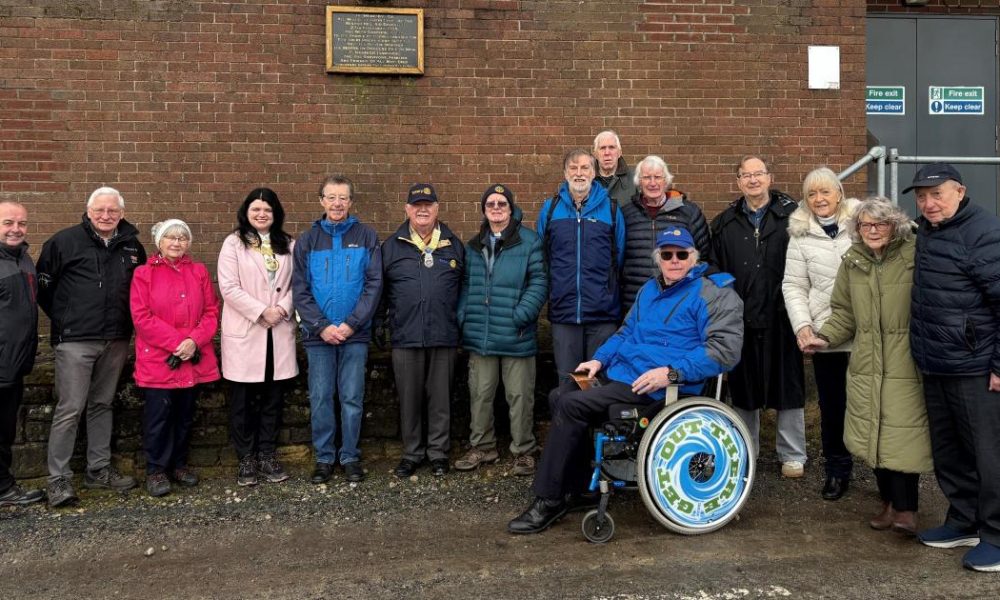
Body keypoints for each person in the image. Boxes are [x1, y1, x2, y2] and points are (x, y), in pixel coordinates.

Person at [508, 226, 743, 534]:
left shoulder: (713, 293)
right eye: (667, 255)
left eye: (681, 254)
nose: (674, 260)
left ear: (693, 257)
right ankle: (580, 488)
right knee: (559, 393)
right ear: (658, 259)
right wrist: (598, 360)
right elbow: (626, 332)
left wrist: (672, 372)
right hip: (621, 373)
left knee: (570, 405)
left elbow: (724, 351)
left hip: (661, 386)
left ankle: (548, 499)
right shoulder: (650, 289)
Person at [806, 197, 931, 536]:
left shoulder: (915, 254)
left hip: (905, 356)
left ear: (895, 225)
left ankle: (907, 509)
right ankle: (888, 502)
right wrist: (825, 337)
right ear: (857, 229)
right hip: (866, 359)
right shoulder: (854, 261)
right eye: (865, 224)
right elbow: (844, 311)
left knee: (902, 430)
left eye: (881, 223)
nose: (873, 230)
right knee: (872, 429)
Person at [904, 163, 1000, 572]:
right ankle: (964, 520)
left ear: (959, 191)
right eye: (922, 197)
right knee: (949, 451)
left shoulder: (983, 233)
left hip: (976, 368)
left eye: (937, 194)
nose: (928, 203)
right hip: (937, 362)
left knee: (988, 453)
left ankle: (996, 534)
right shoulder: (928, 230)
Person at [37, 186, 146, 507]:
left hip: (115, 338)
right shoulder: (63, 242)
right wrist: (66, 318)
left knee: (102, 403)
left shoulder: (132, 246)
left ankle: (98, 470)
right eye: (99, 210)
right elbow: (44, 288)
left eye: (112, 210)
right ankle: (58, 479)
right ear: (88, 211)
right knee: (70, 408)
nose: (105, 215)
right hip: (74, 340)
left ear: (122, 213)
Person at [708, 156, 807, 478]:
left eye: (758, 174)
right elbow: (713, 267)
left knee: (788, 384)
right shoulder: (724, 223)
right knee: (744, 386)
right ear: (738, 182)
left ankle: (792, 454)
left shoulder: (793, 217)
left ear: (769, 178)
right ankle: (745, 449)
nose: (752, 180)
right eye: (745, 175)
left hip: (783, 315)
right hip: (742, 317)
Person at [293, 176, 382, 485]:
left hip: (354, 334)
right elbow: (300, 289)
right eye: (331, 197)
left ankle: (350, 456)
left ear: (351, 202)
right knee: (319, 397)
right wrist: (322, 327)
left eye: (343, 198)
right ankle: (324, 457)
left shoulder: (367, 236)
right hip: (318, 337)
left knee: (352, 397)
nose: (337, 203)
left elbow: (374, 285)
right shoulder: (306, 241)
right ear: (321, 201)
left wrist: (350, 324)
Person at [454, 184, 547, 476]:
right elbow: (466, 284)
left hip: (516, 334)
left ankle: (524, 449)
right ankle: (482, 447)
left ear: (510, 209)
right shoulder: (474, 245)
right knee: (480, 393)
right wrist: (463, 316)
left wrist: (521, 315)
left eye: (502, 204)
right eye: (491, 204)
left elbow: (540, 281)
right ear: (484, 209)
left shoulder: (529, 241)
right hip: (480, 334)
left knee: (520, 396)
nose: (496, 208)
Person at [782, 167, 859, 500]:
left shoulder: (860, 225)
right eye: (812, 193)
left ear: (839, 194)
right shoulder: (800, 235)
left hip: (866, 334)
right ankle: (837, 470)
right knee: (833, 407)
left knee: (874, 406)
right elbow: (795, 285)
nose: (819, 199)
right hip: (826, 336)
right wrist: (803, 326)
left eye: (825, 192)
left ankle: (888, 477)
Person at [130, 219, 219, 497]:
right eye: (171, 237)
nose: (177, 242)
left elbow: (211, 311)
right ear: (160, 242)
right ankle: (156, 470)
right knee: (158, 417)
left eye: (182, 238)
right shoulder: (144, 274)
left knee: (184, 415)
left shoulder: (199, 272)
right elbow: (142, 317)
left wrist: (194, 341)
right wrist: (178, 342)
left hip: (191, 356)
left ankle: (179, 464)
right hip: (159, 358)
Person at [381, 183, 464, 478]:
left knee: (441, 399)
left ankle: (439, 453)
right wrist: (383, 327)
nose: (423, 209)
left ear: (437, 208)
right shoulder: (391, 246)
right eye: (417, 205)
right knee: (410, 399)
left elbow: (464, 289)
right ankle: (412, 453)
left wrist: (460, 323)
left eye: (428, 204)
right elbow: (381, 292)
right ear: (407, 210)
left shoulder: (453, 244)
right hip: (406, 335)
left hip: (444, 335)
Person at [219, 188, 297, 487]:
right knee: (243, 401)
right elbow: (228, 286)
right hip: (248, 330)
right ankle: (246, 458)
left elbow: (297, 283)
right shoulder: (233, 243)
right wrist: (262, 310)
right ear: (246, 212)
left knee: (272, 400)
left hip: (278, 330)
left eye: (267, 209)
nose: (262, 214)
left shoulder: (288, 244)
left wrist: (281, 308)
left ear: (275, 213)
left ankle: (267, 454)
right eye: (256, 209)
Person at [537, 149, 625, 386]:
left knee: (596, 383)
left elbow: (618, 257)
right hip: (564, 314)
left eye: (585, 167)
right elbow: (543, 257)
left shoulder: (612, 209)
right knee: (568, 381)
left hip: (602, 315)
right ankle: (569, 424)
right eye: (573, 168)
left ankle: (595, 425)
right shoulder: (551, 209)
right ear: (565, 173)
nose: (579, 173)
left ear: (594, 173)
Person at [620, 155, 710, 313]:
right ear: (639, 182)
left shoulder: (688, 212)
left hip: (679, 301)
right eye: (647, 177)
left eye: (658, 177)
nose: (652, 183)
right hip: (635, 302)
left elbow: (704, 257)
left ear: (666, 180)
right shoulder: (626, 214)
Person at [0, 201, 44, 507]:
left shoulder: (24, 259)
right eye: (7, 223)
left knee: (5, 430)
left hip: (14, 363)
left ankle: (3, 486)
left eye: (22, 223)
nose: (16, 229)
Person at [592, 130, 637, 207]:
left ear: (619, 152)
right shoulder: (587, 180)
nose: (607, 153)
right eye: (602, 148)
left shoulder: (635, 180)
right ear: (595, 154)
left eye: (612, 147)